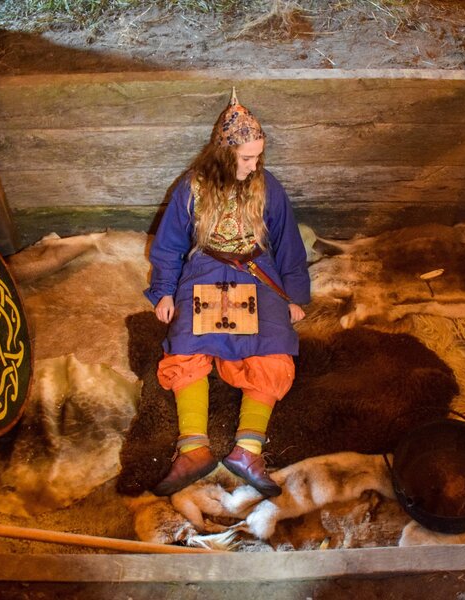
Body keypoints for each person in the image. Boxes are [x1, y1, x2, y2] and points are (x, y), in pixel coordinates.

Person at [145, 88, 310, 497]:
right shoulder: (191, 188)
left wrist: (292, 296)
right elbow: (169, 246)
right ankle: (193, 450)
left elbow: (288, 244)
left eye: (258, 157)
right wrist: (165, 292)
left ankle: (247, 451)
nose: (254, 165)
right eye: (247, 158)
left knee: (274, 346)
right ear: (224, 154)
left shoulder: (267, 187)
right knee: (185, 345)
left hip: (257, 272)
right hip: (204, 267)